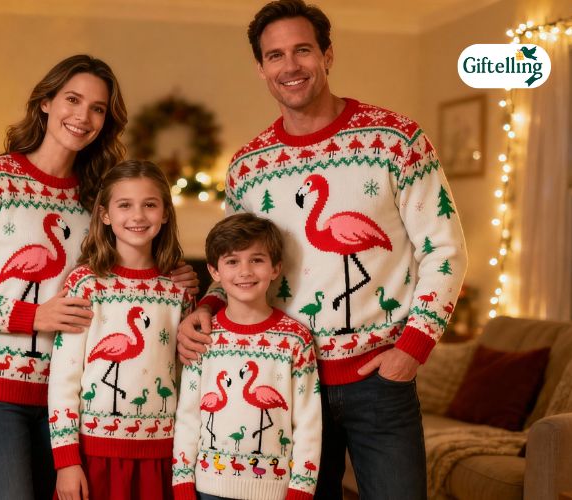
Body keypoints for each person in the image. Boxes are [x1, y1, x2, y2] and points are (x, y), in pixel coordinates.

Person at [177, 2, 467, 499]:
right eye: (275, 56)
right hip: (285, 375)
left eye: (302, 50)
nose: (290, 66)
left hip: (379, 377)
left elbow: (445, 249)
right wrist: (205, 307)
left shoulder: (394, 139)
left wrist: (412, 348)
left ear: (328, 55)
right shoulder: (248, 166)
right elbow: (236, 263)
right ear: (261, 68)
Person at [0, 56, 198, 500]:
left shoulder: (96, 196)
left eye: (98, 108)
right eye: (73, 100)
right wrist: (34, 316)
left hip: (74, 405)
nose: (83, 116)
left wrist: (172, 275)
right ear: (45, 103)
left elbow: (118, 271)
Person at [48, 159, 195, 500]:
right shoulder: (86, 283)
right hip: (94, 451)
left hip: (160, 453)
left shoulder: (177, 290)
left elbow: (186, 376)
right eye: (125, 205)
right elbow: (64, 376)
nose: (138, 216)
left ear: (165, 213)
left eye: (150, 204)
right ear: (105, 215)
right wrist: (66, 461)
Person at [172, 213, 321, 500]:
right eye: (232, 261)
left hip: (274, 491)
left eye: (256, 260)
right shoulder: (203, 336)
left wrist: (300, 491)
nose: (245, 271)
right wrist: (182, 485)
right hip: (207, 489)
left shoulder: (295, 340)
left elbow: (308, 423)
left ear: (276, 268)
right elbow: (188, 417)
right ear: (214, 272)